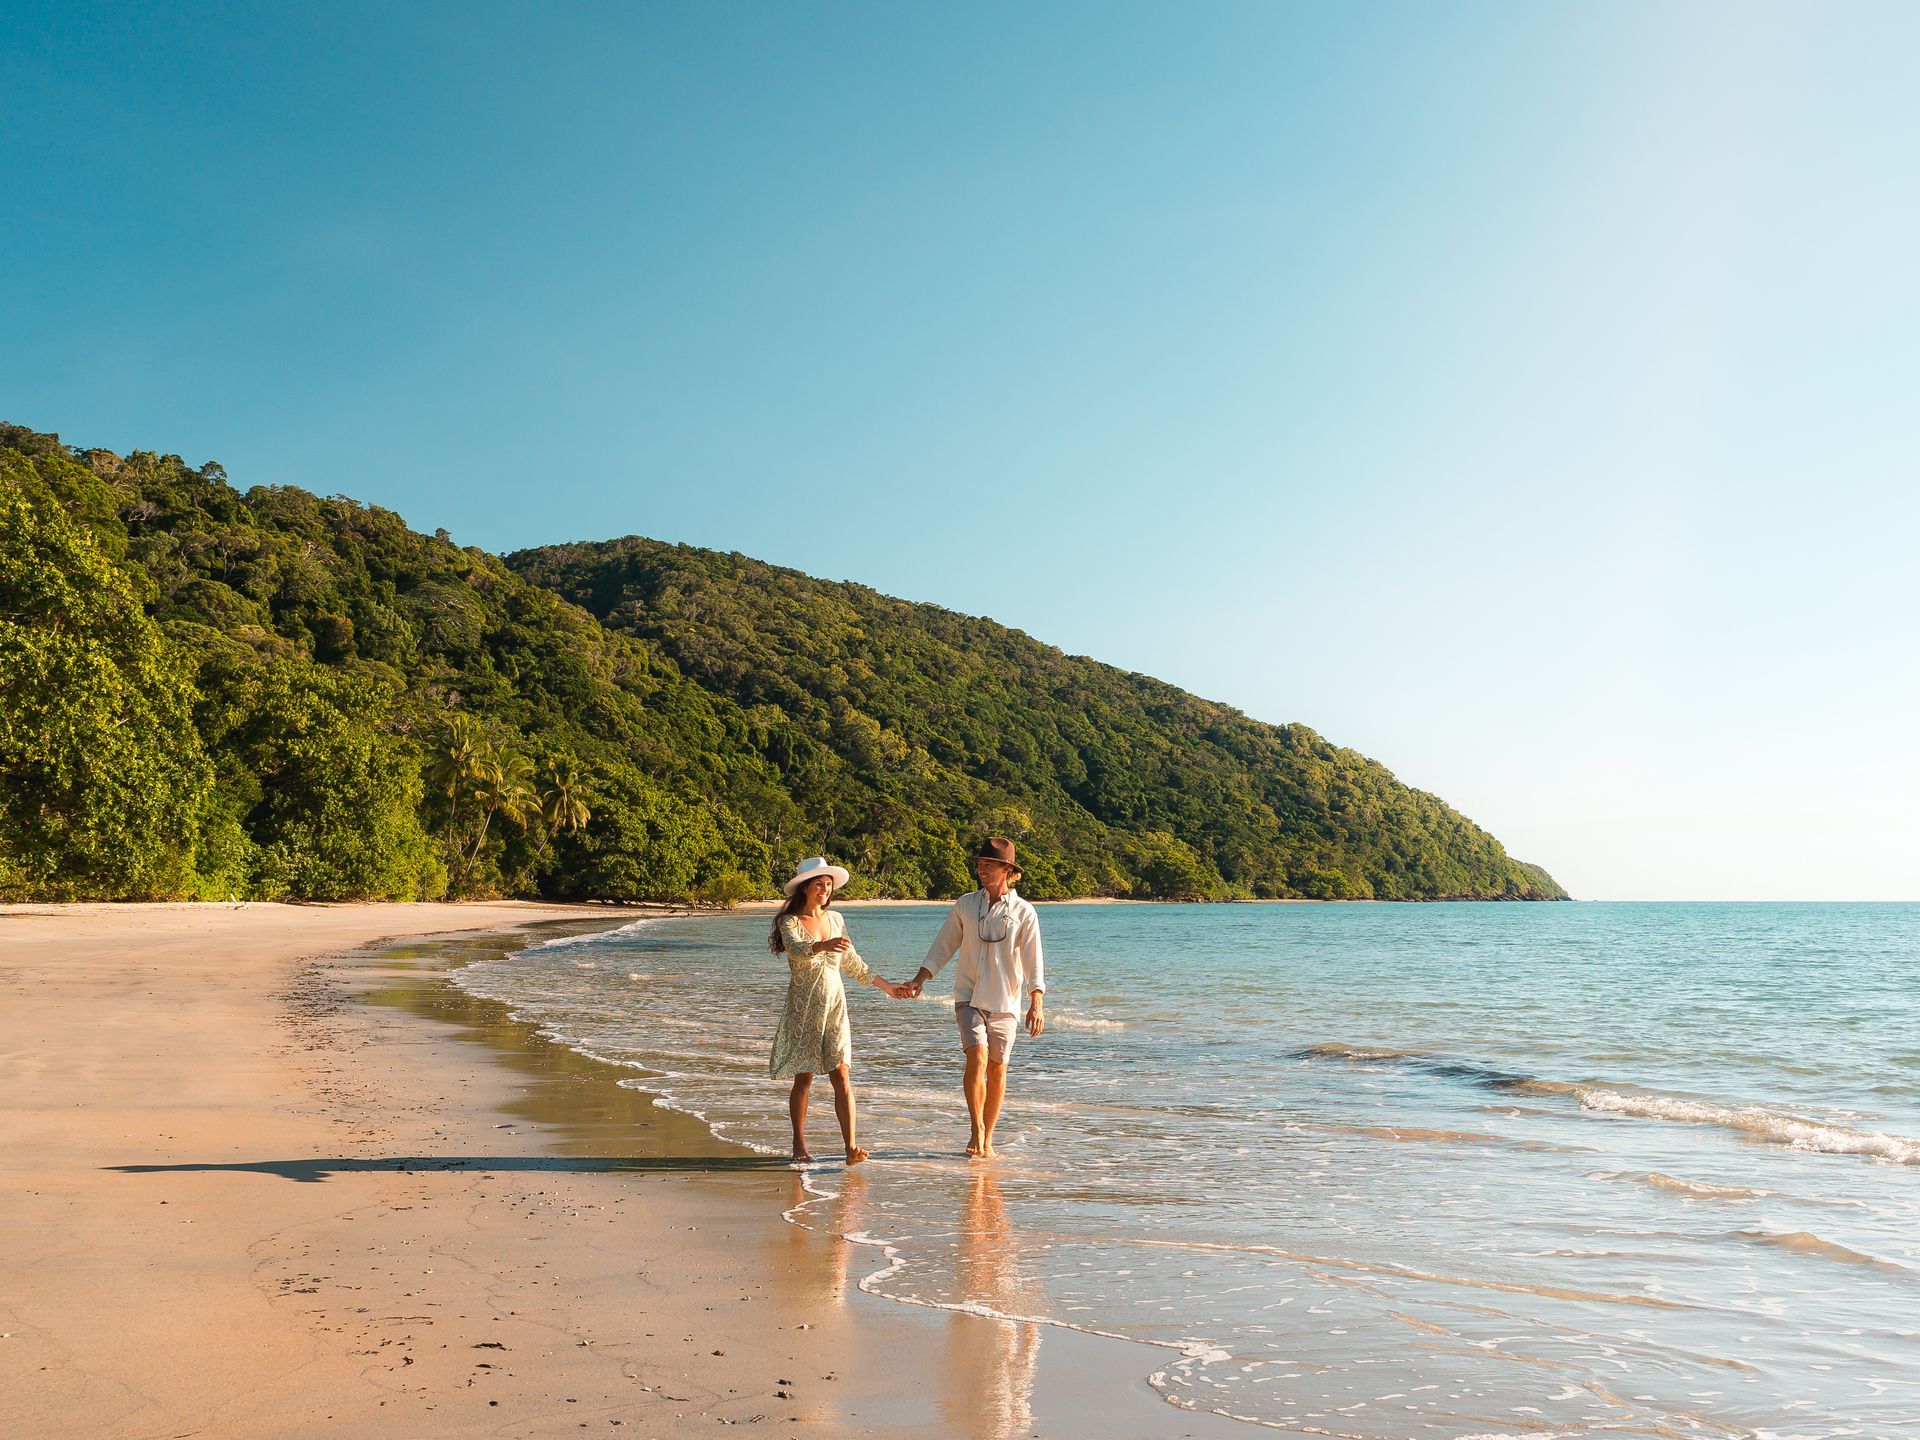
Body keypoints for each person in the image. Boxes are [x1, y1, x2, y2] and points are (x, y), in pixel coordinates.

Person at [904, 838, 1045, 1158]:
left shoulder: (1025, 912)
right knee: (977, 1057)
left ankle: (989, 1136)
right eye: (979, 864)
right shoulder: (966, 904)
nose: (981, 870)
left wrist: (1036, 1002)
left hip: (1005, 1002)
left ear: (1007, 870)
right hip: (968, 996)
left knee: (998, 1069)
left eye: (988, 865)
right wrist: (919, 979)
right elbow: (944, 945)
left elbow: (1033, 960)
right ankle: (976, 1129)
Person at [768, 856, 911, 1165]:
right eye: (819, 883)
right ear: (805, 888)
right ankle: (799, 1142)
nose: (825, 888)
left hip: (835, 1005)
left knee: (842, 1075)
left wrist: (888, 987)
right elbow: (795, 948)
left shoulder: (836, 919)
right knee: (803, 1079)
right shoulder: (789, 922)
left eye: (829, 884)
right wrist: (822, 945)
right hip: (803, 1008)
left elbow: (851, 962)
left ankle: (851, 1147)